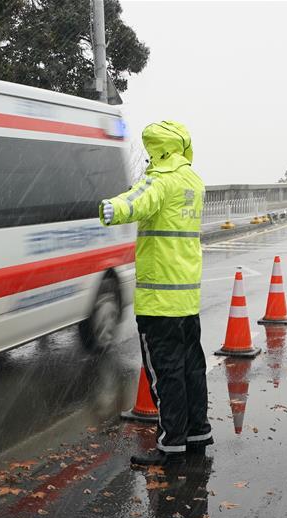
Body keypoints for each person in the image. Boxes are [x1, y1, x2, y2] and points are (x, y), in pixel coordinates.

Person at [99, 120, 213, 466]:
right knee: (192, 368)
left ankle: (171, 445)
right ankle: (197, 434)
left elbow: (137, 200)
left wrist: (110, 209)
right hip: (185, 298)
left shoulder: (160, 180)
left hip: (159, 301)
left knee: (166, 375)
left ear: (156, 149)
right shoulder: (193, 180)